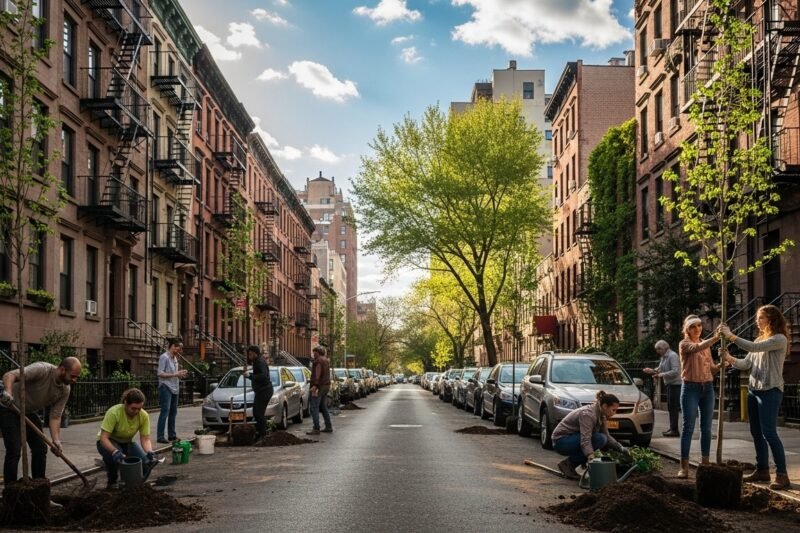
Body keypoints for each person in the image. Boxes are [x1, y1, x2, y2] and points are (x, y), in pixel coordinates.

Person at [720, 304, 791, 490]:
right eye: (757, 318)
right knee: (756, 432)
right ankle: (762, 470)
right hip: (754, 391)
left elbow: (752, 346)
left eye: (761, 318)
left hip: (770, 391)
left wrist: (731, 336)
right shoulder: (760, 338)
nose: (757, 321)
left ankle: (782, 474)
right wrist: (729, 358)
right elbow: (745, 364)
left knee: (769, 433)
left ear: (771, 320)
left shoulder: (779, 339)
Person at [0, 357, 81, 484]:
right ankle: (10, 492)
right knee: (14, 449)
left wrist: (56, 441)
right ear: (62, 370)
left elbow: (55, 416)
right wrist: (8, 393)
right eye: (73, 376)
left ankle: (39, 487)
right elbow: (9, 375)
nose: (75, 380)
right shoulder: (42, 370)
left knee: (40, 448)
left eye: (77, 377)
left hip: (28, 411)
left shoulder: (65, 389)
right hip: (9, 407)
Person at [677, 314, 722, 479]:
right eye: (693, 327)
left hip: (707, 388)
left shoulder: (705, 345)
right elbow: (696, 348)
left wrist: (722, 364)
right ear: (687, 329)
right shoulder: (684, 344)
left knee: (707, 428)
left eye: (699, 326)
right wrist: (716, 337)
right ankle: (684, 466)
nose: (697, 329)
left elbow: (712, 369)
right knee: (688, 427)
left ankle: (705, 463)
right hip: (690, 388)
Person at [551, 390, 628, 480]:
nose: (614, 413)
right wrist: (591, 457)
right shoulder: (588, 414)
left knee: (602, 438)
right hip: (561, 441)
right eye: (613, 410)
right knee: (599, 439)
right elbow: (585, 439)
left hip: (571, 439)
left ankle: (571, 464)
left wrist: (620, 448)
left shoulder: (601, 415)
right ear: (605, 406)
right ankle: (568, 464)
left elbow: (607, 436)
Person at [97, 388, 156, 489]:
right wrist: (114, 451)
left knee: (145, 464)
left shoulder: (143, 416)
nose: (136, 411)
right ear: (125, 403)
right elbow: (104, 438)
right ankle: (112, 482)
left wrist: (150, 452)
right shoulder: (114, 412)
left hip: (126, 443)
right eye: (133, 408)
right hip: (108, 442)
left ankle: (134, 486)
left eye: (139, 408)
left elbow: (145, 439)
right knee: (115, 457)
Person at [644, 340, 682, 437]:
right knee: (671, 406)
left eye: (659, 349)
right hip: (670, 384)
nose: (658, 351)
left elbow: (675, 371)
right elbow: (660, 368)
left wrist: (660, 375)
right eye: (657, 349)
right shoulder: (664, 357)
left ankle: (674, 429)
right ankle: (672, 427)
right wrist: (652, 371)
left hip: (676, 384)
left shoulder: (672, 356)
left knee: (673, 407)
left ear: (665, 348)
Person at [157, 340, 186, 444]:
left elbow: (174, 374)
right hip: (165, 386)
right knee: (165, 411)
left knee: (173, 412)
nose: (180, 351)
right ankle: (160, 436)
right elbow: (160, 373)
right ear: (173, 346)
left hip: (175, 387)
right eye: (179, 348)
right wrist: (175, 374)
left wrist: (180, 375)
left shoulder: (175, 359)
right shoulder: (164, 357)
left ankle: (172, 435)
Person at [246, 345, 273, 440]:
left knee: (258, 413)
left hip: (264, 390)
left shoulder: (260, 362)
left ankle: (263, 435)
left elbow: (263, 375)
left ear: (254, 353)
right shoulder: (256, 362)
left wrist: (250, 376)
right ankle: (260, 432)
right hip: (261, 391)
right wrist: (250, 375)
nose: (248, 356)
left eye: (250, 354)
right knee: (256, 412)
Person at [307, 346, 333, 435]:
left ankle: (316, 428)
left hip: (319, 387)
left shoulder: (318, 361)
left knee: (314, 407)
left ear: (317, 353)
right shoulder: (326, 360)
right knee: (323, 407)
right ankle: (328, 426)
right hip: (326, 386)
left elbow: (317, 374)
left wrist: (315, 385)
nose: (313, 354)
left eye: (314, 352)